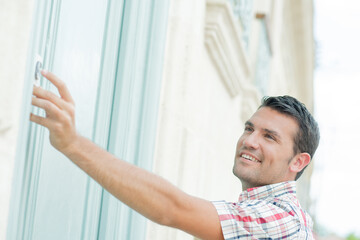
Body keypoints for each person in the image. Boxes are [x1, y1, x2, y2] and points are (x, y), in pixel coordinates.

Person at [30, 70, 320, 240]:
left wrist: (72, 144)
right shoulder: (274, 211)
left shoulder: (285, 219)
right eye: (249, 128)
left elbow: (172, 209)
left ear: (298, 161)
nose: (250, 141)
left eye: (269, 137)